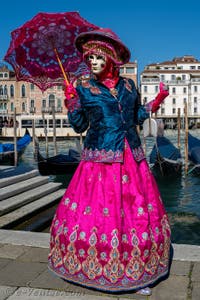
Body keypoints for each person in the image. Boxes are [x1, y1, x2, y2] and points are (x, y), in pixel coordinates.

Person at [48, 28, 171, 296]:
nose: (91, 63)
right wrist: (72, 104)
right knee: (106, 216)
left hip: (132, 158)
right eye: (89, 59)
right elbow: (80, 126)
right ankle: (94, 266)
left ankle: (138, 271)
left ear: (111, 60)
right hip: (99, 162)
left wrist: (158, 100)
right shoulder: (85, 88)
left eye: (96, 58)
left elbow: (138, 116)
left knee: (135, 215)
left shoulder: (129, 86)